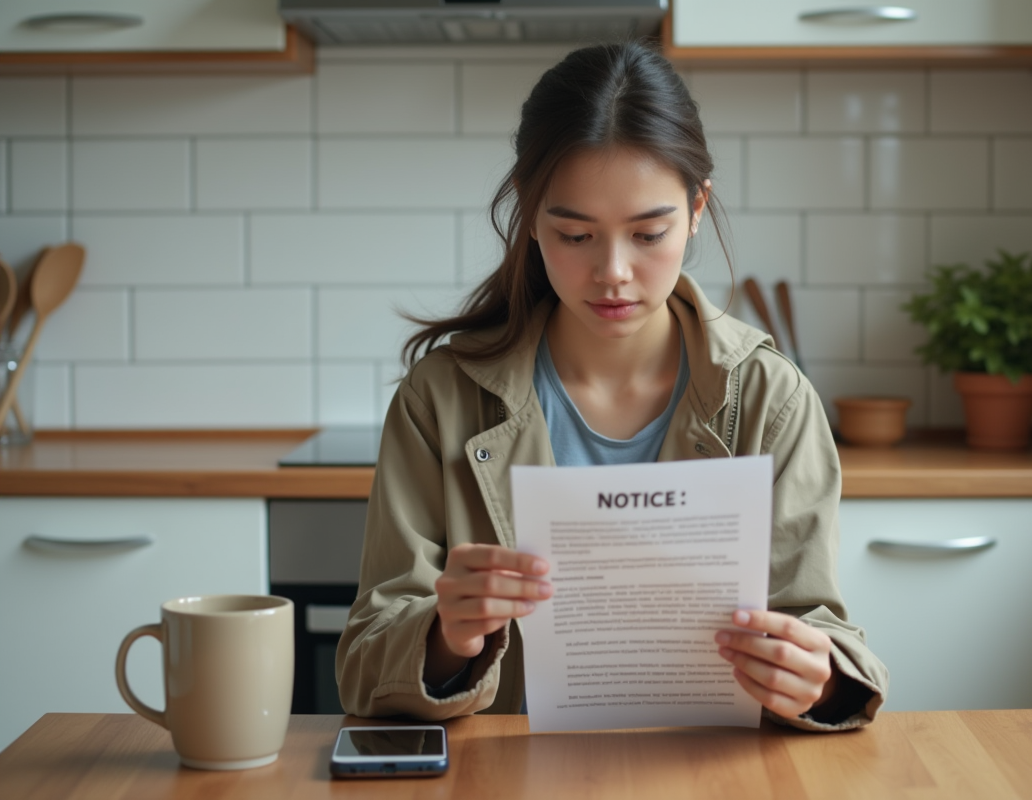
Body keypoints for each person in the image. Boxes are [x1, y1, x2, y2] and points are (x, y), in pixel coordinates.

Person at [336, 41, 887, 731]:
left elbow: (824, 633)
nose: (614, 273)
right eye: (575, 236)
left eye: (649, 233)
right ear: (531, 217)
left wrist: (819, 679)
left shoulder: (772, 401)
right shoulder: (440, 398)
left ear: (695, 209)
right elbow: (362, 663)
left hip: (706, 774)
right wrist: (448, 637)